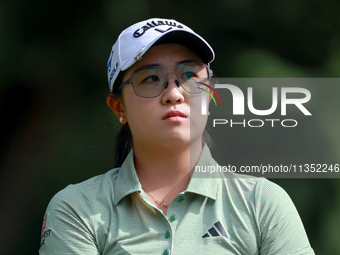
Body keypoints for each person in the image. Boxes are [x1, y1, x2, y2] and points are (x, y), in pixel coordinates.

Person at [39, 18, 314, 254]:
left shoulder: (262, 202)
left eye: (189, 75)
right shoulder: (78, 209)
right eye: (151, 78)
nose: (174, 94)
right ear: (119, 107)